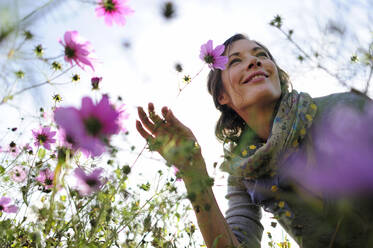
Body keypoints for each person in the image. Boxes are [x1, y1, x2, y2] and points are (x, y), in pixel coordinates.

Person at [136, 33, 373, 248]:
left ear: (277, 77)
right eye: (236, 60)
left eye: (261, 55)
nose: (254, 61)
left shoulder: (344, 109)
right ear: (222, 95)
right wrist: (194, 175)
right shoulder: (244, 171)